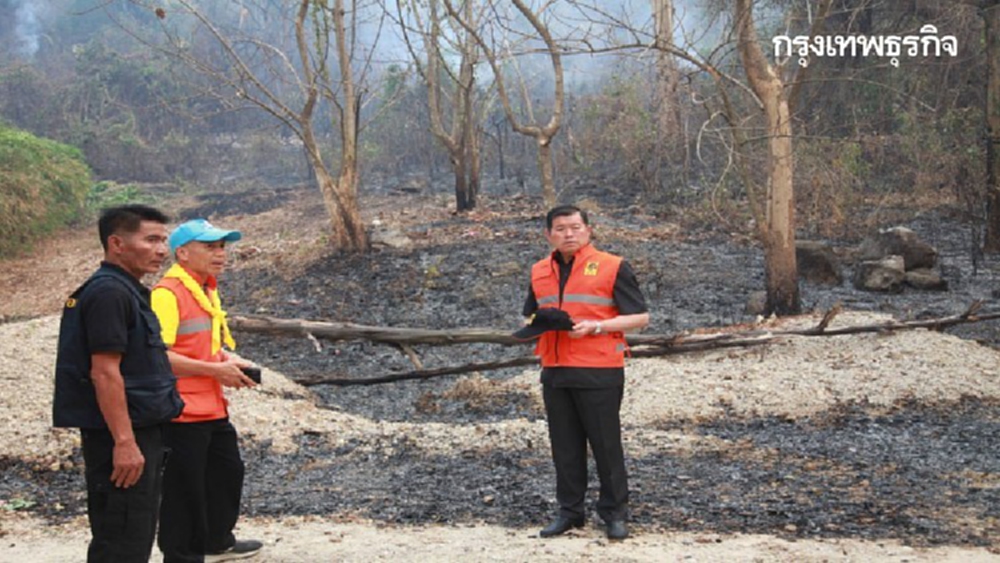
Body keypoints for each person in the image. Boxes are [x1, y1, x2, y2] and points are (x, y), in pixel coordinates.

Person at [53, 204, 185, 562]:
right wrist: (124, 442)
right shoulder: (109, 293)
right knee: (122, 538)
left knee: (134, 533)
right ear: (117, 244)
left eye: (164, 241)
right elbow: (104, 372)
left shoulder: (128, 291)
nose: (161, 250)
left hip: (142, 428)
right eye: (151, 239)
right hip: (122, 435)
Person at [515, 205, 649, 541]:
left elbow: (640, 318)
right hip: (555, 368)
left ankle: (615, 514)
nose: (569, 234)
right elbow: (526, 317)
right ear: (548, 235)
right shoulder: (538, 270)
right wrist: (538, 324)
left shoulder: (612, 266)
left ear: (589, 230)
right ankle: (570, 513)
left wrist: (597, 327)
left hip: (599, 368)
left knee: (605, 445)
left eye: (575, 227)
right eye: (560, 228)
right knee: (565, 447)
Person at [151, 219, 262, 562]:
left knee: (226, 472)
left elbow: (199, 345)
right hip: (180, 409)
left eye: (222, 247)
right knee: (183, 488)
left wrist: (229, 361)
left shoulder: (205, 287)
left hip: (211, 406)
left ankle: (217, 540)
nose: (220, 254)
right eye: (210, 247)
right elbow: (158, 357)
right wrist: (216, 370)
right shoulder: (167, 294)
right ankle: (181, 554)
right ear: (182, 253)